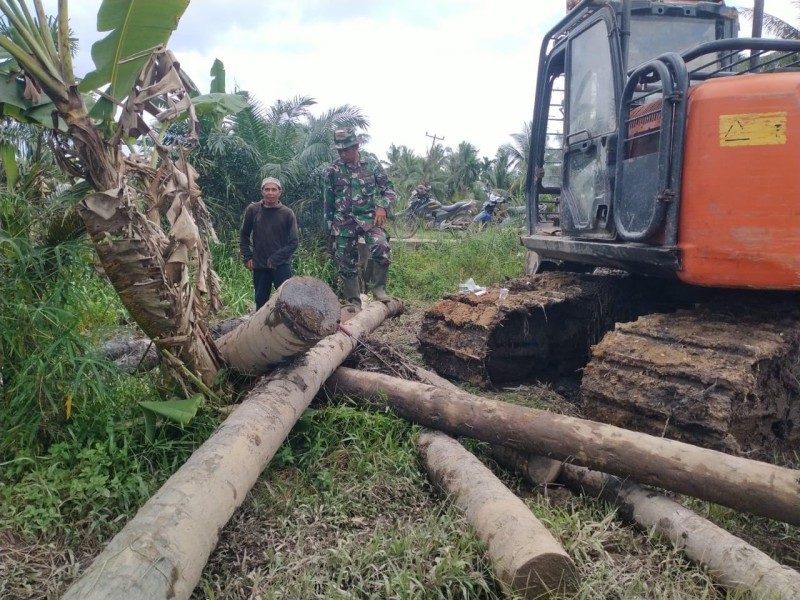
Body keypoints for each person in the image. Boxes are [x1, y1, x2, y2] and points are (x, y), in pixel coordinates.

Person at [323, 128, 397, 309]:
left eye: (345, 150)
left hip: (369, 219)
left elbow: (389, 189)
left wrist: (382, 206)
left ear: (356, 146)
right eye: (339, 150)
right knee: (345, 261)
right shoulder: (333, 170)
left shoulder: (371, 165)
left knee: (381, 246)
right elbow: (328, 200)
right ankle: (353, 301)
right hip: (342, 222)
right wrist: (329, 228)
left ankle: (378, 289)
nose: (342, 154)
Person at [239, 176, 298, 310]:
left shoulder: (287, 213)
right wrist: (247, 256)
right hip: (259, 264)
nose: (270, 193)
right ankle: (261, 329)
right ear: (262, 191)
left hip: (281, 264)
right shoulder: (253, 210)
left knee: (288, 300)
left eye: (274, 189)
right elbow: (244, 235)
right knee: (261, 301)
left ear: (279, 192)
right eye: (267, 189)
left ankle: (288, 329)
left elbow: (294, 242)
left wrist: (275, 258)